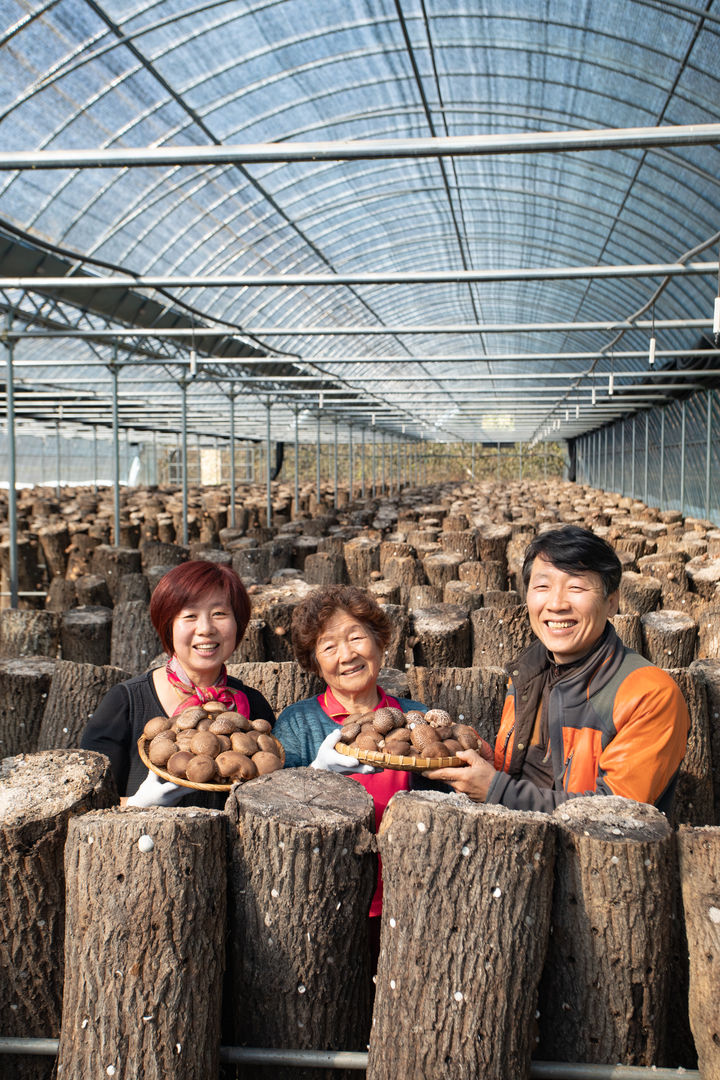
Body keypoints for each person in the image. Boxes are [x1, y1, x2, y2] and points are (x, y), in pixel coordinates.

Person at [426, 525, 690, 813]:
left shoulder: (650, 695)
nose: (556, 604)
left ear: (611, 602)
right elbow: (532, 777)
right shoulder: (528, 673)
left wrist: (495, 789)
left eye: (576, 587)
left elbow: (617, 812)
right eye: (542, 587)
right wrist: (491, 764)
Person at [272, 584, 430, 927]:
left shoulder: (417, 717)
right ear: (315, 662)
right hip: (326, 898)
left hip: (410, 897)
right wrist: (316, 772)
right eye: (329, 646)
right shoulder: (297, 724)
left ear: (379, 642)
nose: (347, 655)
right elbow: (275, 813)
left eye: (356, 638)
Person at [81, 560, 275, 806]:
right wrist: (134, 804)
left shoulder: (252, 704)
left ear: (238, 624)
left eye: (219, 614)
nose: (205, 629)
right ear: (168, 626)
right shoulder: (124, 703)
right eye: (190, 616)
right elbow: (88, 804)